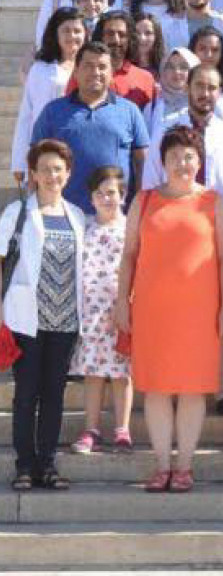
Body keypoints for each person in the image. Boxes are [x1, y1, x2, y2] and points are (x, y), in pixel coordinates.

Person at [114, 126, 223, 492]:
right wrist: (123, 299)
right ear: (162, 162)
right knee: (155, 389)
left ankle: (184, 466)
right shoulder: (145, 200)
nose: (182, 163)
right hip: (153, 310)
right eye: (174, 157)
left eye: (189, 156)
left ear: (199, 161)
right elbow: (129, 255)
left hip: (199, 311)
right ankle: (162, 465)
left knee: (192, 389)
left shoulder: (214, 202)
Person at [1, 139, 87, 491]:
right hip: (27, 320)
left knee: (54, 395)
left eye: (58, 169)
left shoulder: (78, 216)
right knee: (26, 395)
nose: (52, 175)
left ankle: (48, 464)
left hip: (65, 321)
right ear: (33, 174)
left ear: (67, 174)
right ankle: (25, 465)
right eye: (45, 169)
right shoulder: (16, 213)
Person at [31, 42, 149, 214]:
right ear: (76, 71)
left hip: (114, 217)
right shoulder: (53, 111)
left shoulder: (130, 111)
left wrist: (139, 208)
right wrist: (34, 205)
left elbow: (142, 163)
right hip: (62, 214)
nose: (96, 72)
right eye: (88, 66)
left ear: (111, 73)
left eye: (102, 67)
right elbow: (35, 160)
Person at [68, 167, 133, 454]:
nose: (106, 198)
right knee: (93, 373)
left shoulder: (131, 228)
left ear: (123, 196)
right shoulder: (85, 228)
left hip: (120, 313)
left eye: (112, 193)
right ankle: (91, 429)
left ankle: (122, 429)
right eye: (100, 193)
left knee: (121, 374)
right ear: (91, 198)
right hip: (91, 315)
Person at [142, 64, 223, 203]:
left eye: (212, 88)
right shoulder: (165, 130)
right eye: (199, 86)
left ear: (220, 92)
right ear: (187, 88)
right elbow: (151, 180)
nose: (205, 94)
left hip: (219, 218)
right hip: (173, 214)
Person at [13, 9, 87, 184]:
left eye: (77, 31)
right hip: (47, 150)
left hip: (81, 147)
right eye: (66, 30)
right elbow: (27, 114)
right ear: (56, 34)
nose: (72, 36)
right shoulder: (41, 69)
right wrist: (19, 161)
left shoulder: (92, 67)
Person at [144, 47, 199, 139]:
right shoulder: (152, 108)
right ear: (163, 71)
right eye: (170, 67)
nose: (177, 72)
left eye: (184, 67)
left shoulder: (201, 105)